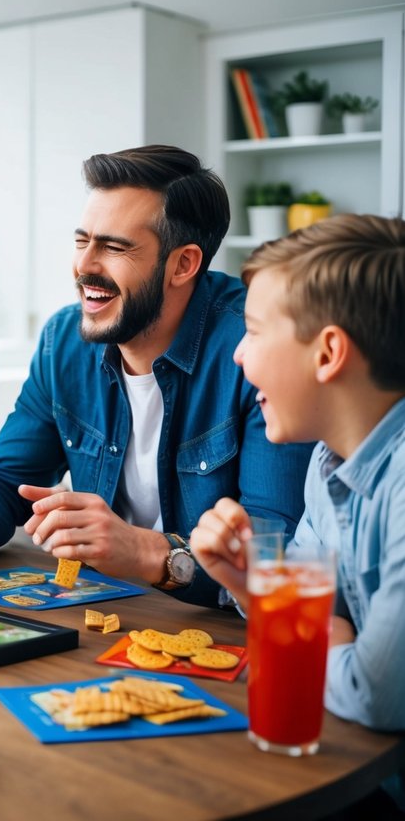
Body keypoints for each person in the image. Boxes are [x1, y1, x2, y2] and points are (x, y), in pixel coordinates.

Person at [0, 145, 313, 608]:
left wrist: (148, 552)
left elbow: (277, 549)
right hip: (109, 613)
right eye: (82, 241)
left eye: (114, 247)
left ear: (183, 264)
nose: (85, 266)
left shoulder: (254, 350)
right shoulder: (64, 340)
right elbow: (9, 475)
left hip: (231, 636)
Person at [190, 214, 405, 730]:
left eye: (254, 331)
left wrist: (327, 637)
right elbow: (308, 618)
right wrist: (249, 585)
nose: (238, 355)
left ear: (328, 353)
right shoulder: (327, 462)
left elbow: (375, 696)